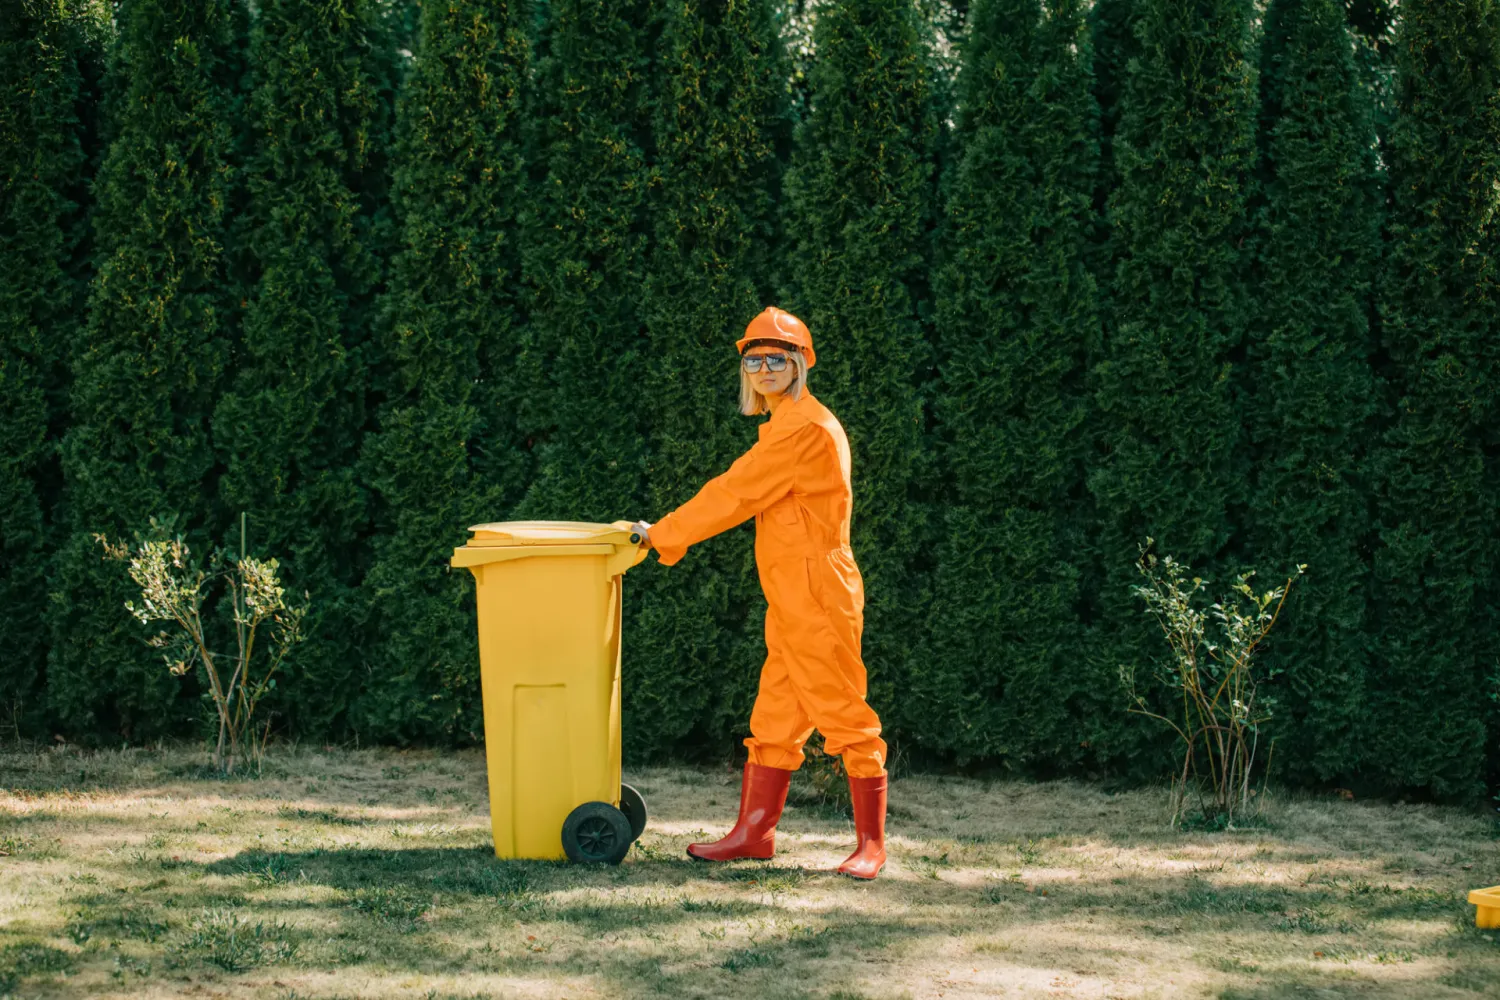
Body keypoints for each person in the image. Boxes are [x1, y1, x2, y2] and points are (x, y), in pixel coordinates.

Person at [632, 306, 887, 880]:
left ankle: (871, 846)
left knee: (844, 711)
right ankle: (754, 836)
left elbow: (734, 493)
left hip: (816, 591)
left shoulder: (803, 429)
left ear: (800, 363)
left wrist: (662, 535)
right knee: (774, 717)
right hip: (794, 593)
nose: (765, 367)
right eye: (755, 359)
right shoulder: (785, 424)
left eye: (778, 357)